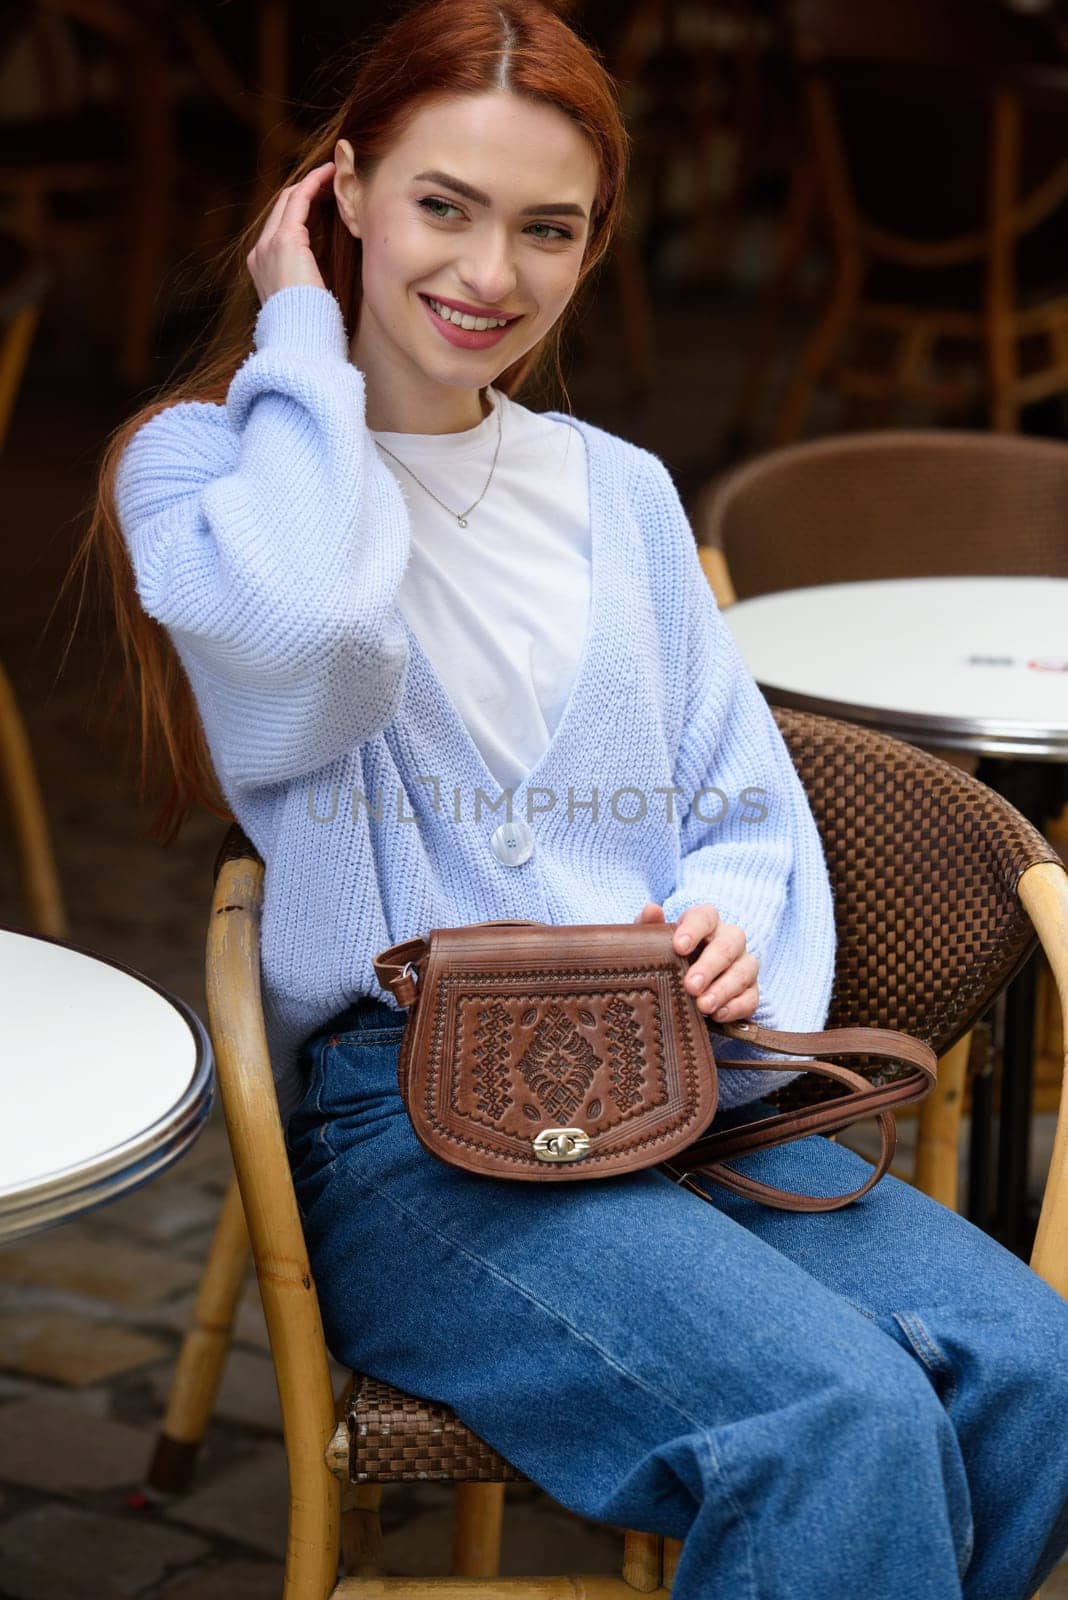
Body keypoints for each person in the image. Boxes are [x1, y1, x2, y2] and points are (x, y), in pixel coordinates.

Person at [81, 1, 1068, 1593]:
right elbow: (320, 630)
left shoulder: (618, 488)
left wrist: (731, 925)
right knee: (839, 1417)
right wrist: (296, 340)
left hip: (681, 1079)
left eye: (548, 229)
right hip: (409, 1130)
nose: (490, 276)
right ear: (342, 196)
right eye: (443, 207)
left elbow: (744, 804)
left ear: (595, 242)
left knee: (1041, 1370)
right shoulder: (210, 474)